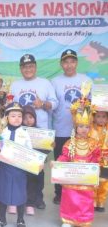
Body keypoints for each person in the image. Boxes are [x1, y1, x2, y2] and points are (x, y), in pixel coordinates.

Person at [51, 49, 92, 205]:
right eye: (66, 62)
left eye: (72, 61)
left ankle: (80, 194)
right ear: (61, 64)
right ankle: (59, 193)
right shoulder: (55, 82)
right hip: (61, 129)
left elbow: (93, 105)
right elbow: (52, 105)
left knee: (80, 162)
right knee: (61, 162)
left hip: (81, 131)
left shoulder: (86, 80)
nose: (69, 65)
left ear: (76, 63)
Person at [56, 97, 100, 227]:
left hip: (86, 179)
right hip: (72, 178)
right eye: (80, 126)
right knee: (70, 198)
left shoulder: (93, 144)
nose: (84, 129)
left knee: (85, 200)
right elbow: (64, 157)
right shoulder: (70, 143)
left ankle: (83, 221)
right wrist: (58, 164)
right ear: (75, 127)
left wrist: (94, 170)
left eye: (87, 126)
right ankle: (68, 220)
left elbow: (96, 159)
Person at [0, 102, 32, 227]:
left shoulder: (25, 133)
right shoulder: (2, 132)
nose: (17, 118)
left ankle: (20, 219)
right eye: (13, 115)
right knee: (3, 192)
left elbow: (29, 150)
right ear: (7, 117)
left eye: (19, 116)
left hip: (19, 168)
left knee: (20, 193)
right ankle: (2, 219)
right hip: (5, 167)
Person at [11, 54, 58, 129]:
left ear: (35, 67)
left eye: (30, 66)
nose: (28, 69)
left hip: (41, 130)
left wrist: (42, 104)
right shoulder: (14, 85)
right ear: (20, 69)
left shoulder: (45, 83)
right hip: (20, 131)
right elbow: (11, 106)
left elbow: (55, 104)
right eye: (24, 67)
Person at [22, 105, 47, 215]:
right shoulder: (21, 131)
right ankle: (28, 201)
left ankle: (39, 199)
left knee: (39, 182)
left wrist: (50, 145)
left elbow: (45, 149)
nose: (28, 120)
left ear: (35, 118)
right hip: (26, 162)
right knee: (28, 182)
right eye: (25, 118)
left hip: (38, 163)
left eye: (31, 117)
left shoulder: (40, 132)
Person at [89, 110, 108, 212]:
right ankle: (93, 200)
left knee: (104, 182)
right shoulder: (90, 129)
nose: (101, 119)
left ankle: (101, 201)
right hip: (94, 159)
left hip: (106, 161)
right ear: (94, 118)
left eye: (104, 116)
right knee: (93, 180)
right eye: (98, 116)